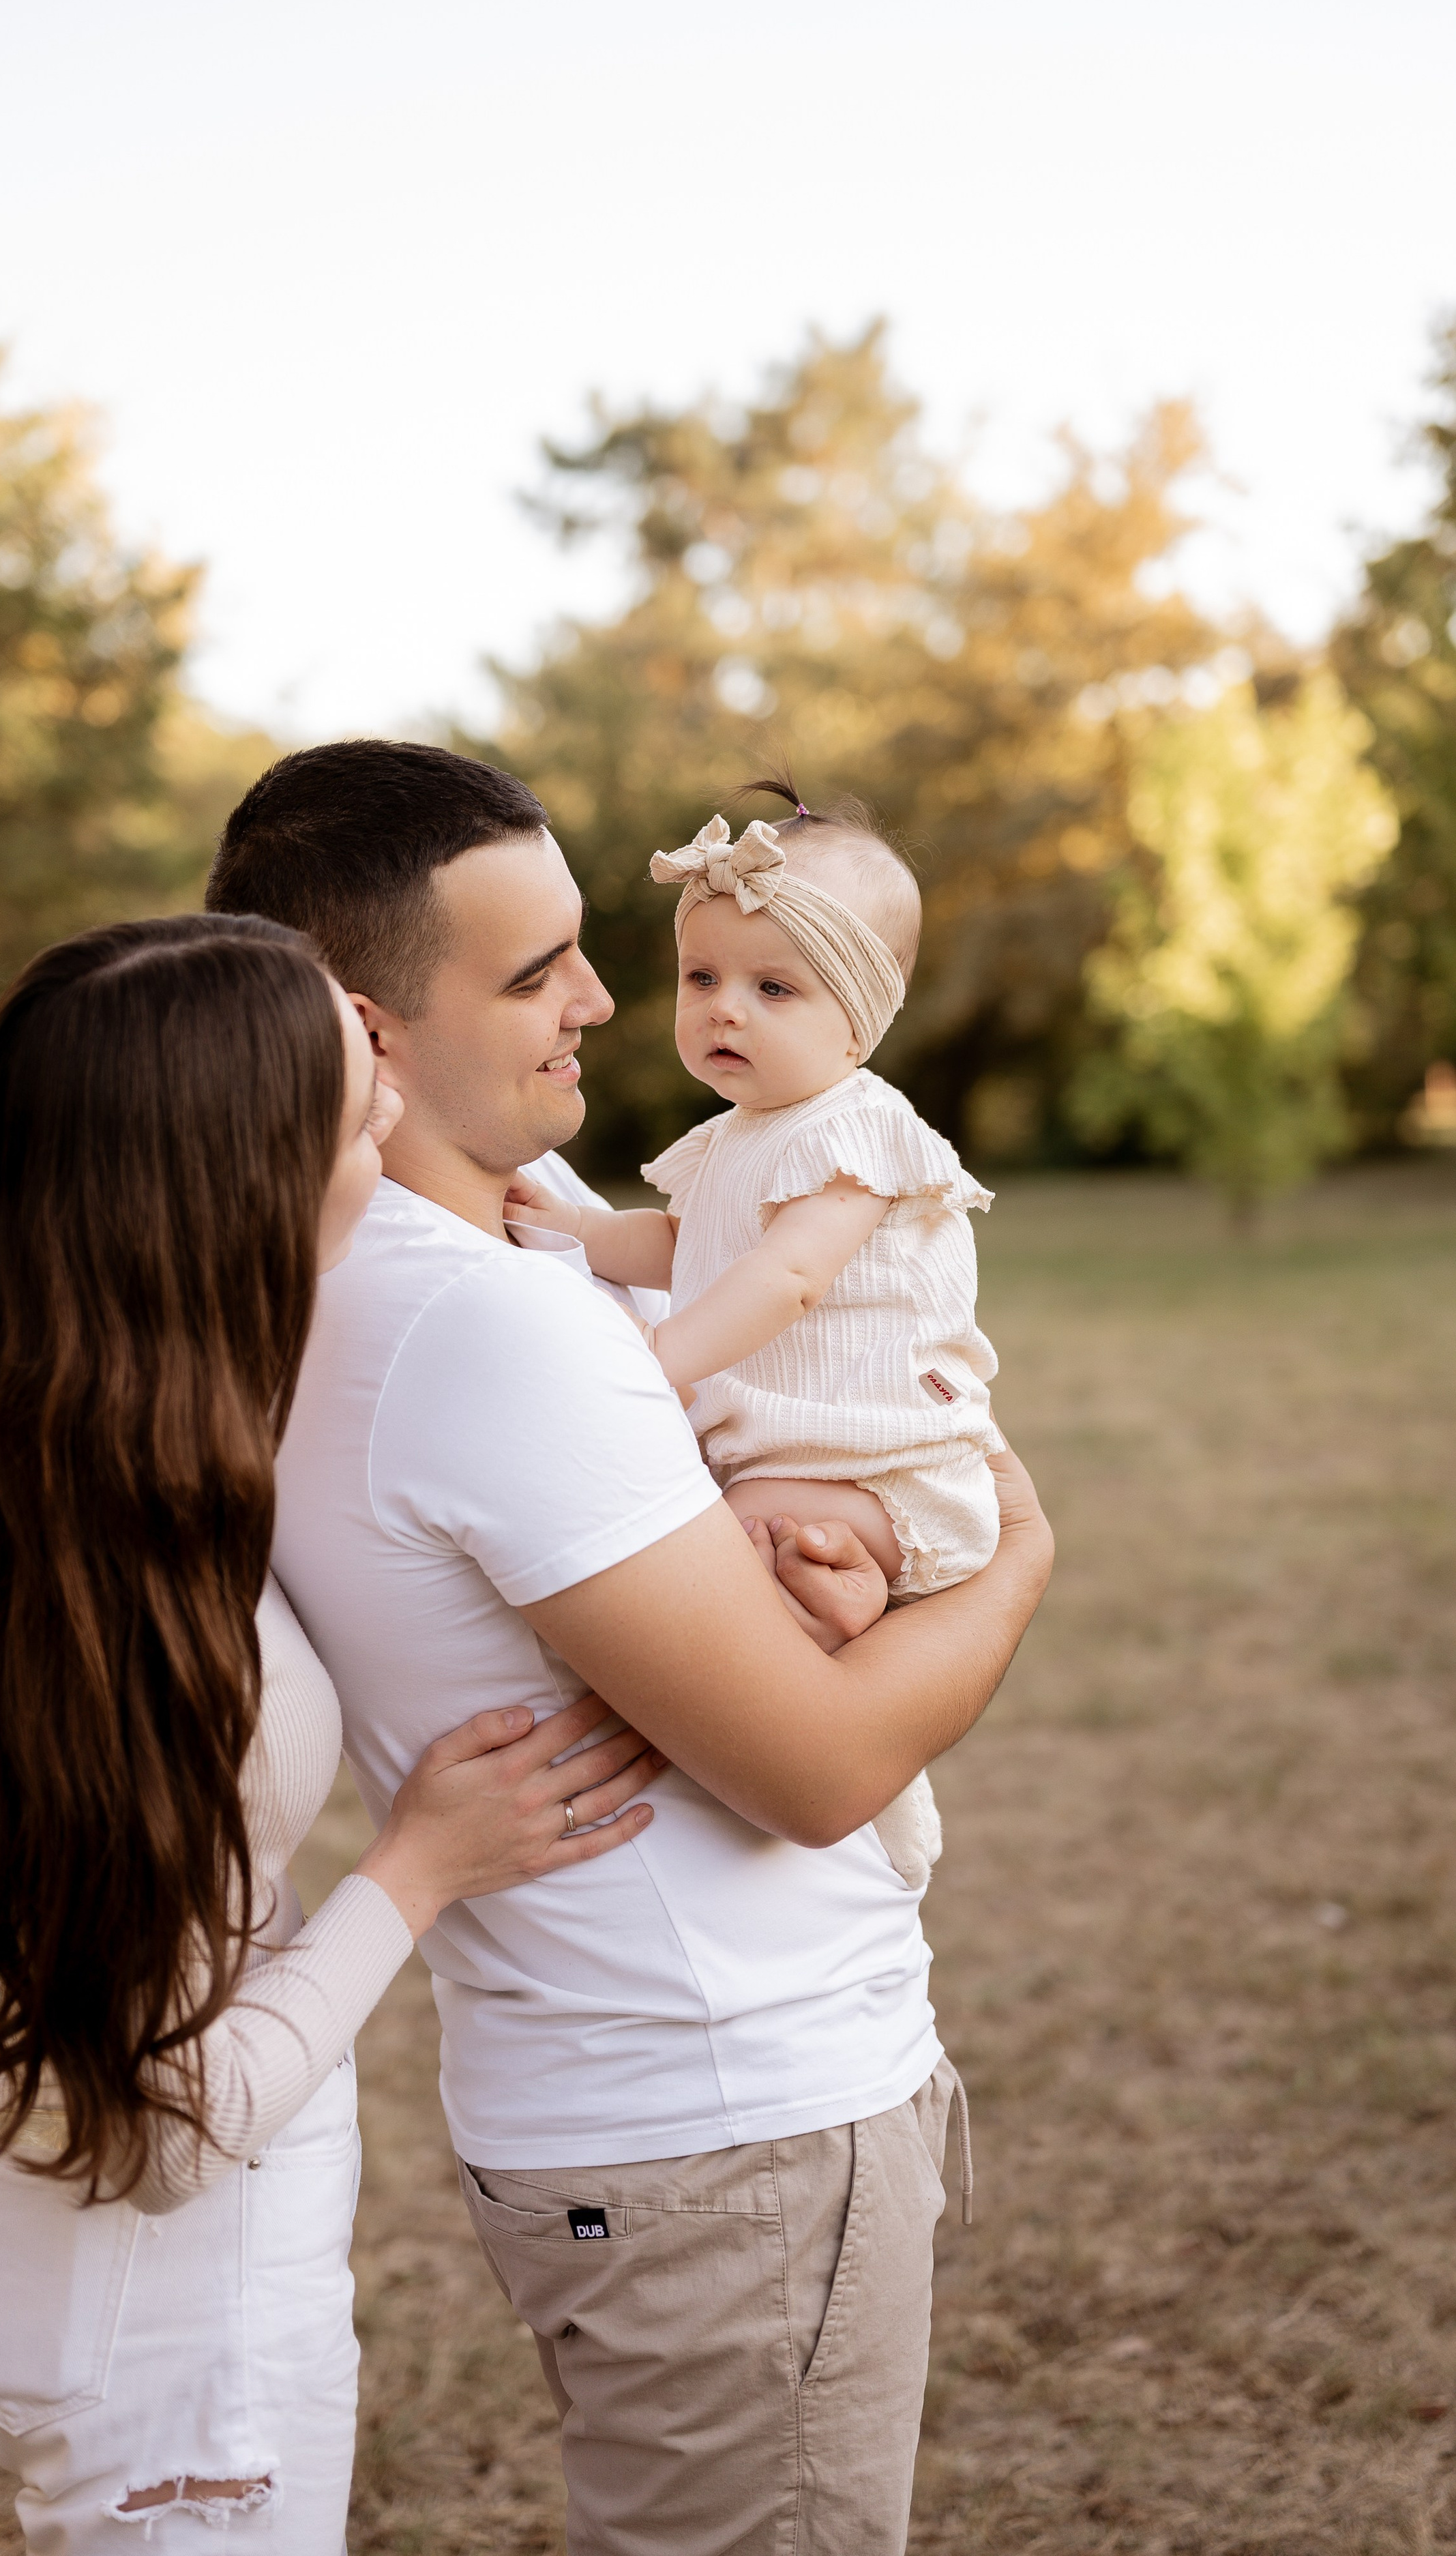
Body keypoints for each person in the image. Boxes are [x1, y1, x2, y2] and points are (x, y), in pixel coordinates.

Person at [205, 741, 1054, 2555]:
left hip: (627, 2105)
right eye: (533, 975)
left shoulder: (344, 1275)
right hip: (730, 2123)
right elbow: (820, 1768)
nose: (604, 1002)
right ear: (365, 1030)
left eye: (595, 950)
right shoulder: (493, 1330)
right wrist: (1017, 1564)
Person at [0, 913, 666, 2554]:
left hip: (171, 2295)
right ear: (234, 1186)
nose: (391, 1117)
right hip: (167, 2337)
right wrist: (417, 1870)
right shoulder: (92, 1577)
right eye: (352, 1108)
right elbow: (149, 2123)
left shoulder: (106, 1451)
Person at [507, 782, 1002, 1892]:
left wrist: (655, 1367)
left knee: (729, 1562)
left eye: (773, 987)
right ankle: (835, 1636)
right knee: (739, 1545)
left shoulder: (860, 1131)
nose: (724, 1009)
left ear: (862, 1017)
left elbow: (781, 1278)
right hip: (800, 1461)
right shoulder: (735, 1138)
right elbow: (689, 1247)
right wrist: (582, 1231)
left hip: (882, 1467)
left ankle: (843, 1714)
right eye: (702, 978)